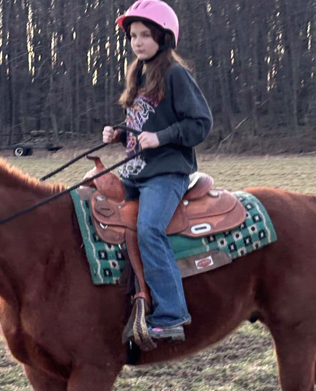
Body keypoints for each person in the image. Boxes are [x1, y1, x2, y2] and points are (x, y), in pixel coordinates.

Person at [103, 0, 213, 343]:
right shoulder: (138, 73)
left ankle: (171, 314)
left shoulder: (175, 74)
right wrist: (120, 133)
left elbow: (200, 124)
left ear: (164, 38)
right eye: (133, 36)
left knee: (150, 229)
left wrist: (161, 138)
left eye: (145, 35)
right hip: (135, 172)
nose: (137, 42)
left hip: (167, 174)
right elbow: (143, 126)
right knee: (94, 209)